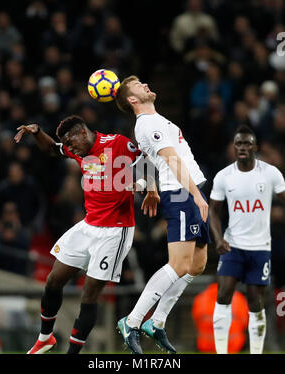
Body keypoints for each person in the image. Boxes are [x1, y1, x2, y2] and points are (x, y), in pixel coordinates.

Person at [14, 115, 159, 354]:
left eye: (71, 143)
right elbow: (52, 149)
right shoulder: (78, 151)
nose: (70, 150)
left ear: (83, 132)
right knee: (53, 280)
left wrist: (148, 187)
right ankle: (45, 338)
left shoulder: (118, 143)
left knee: (90, 292)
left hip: (116, 230)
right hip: (88, 225)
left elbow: (148, 159)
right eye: (68, 147)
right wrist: (38, 131)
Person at [115, 76, 210, 354]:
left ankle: (156, 323)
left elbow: (146, 159)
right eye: (137, 86)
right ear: (132, 100)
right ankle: (131, 321)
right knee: (179, 264)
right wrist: (193, 194)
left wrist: (150, 186)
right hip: (182, 193)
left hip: (190, 189)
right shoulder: (147, 123)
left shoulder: (154, 121)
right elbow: (171, 160)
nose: (145, 85)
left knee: (197, 265)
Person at [209, 124, 285, 354]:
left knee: (256, 302)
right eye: (239, 143)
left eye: (247, 143)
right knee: (222, 294)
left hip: (260, 247)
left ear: (255, 147)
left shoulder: (271, 173)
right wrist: (219, 239)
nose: (242, 147)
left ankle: (256, 351)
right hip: (233, 245)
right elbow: (213, 210)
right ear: (234, 147)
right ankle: (221, 351)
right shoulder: (224, 176)